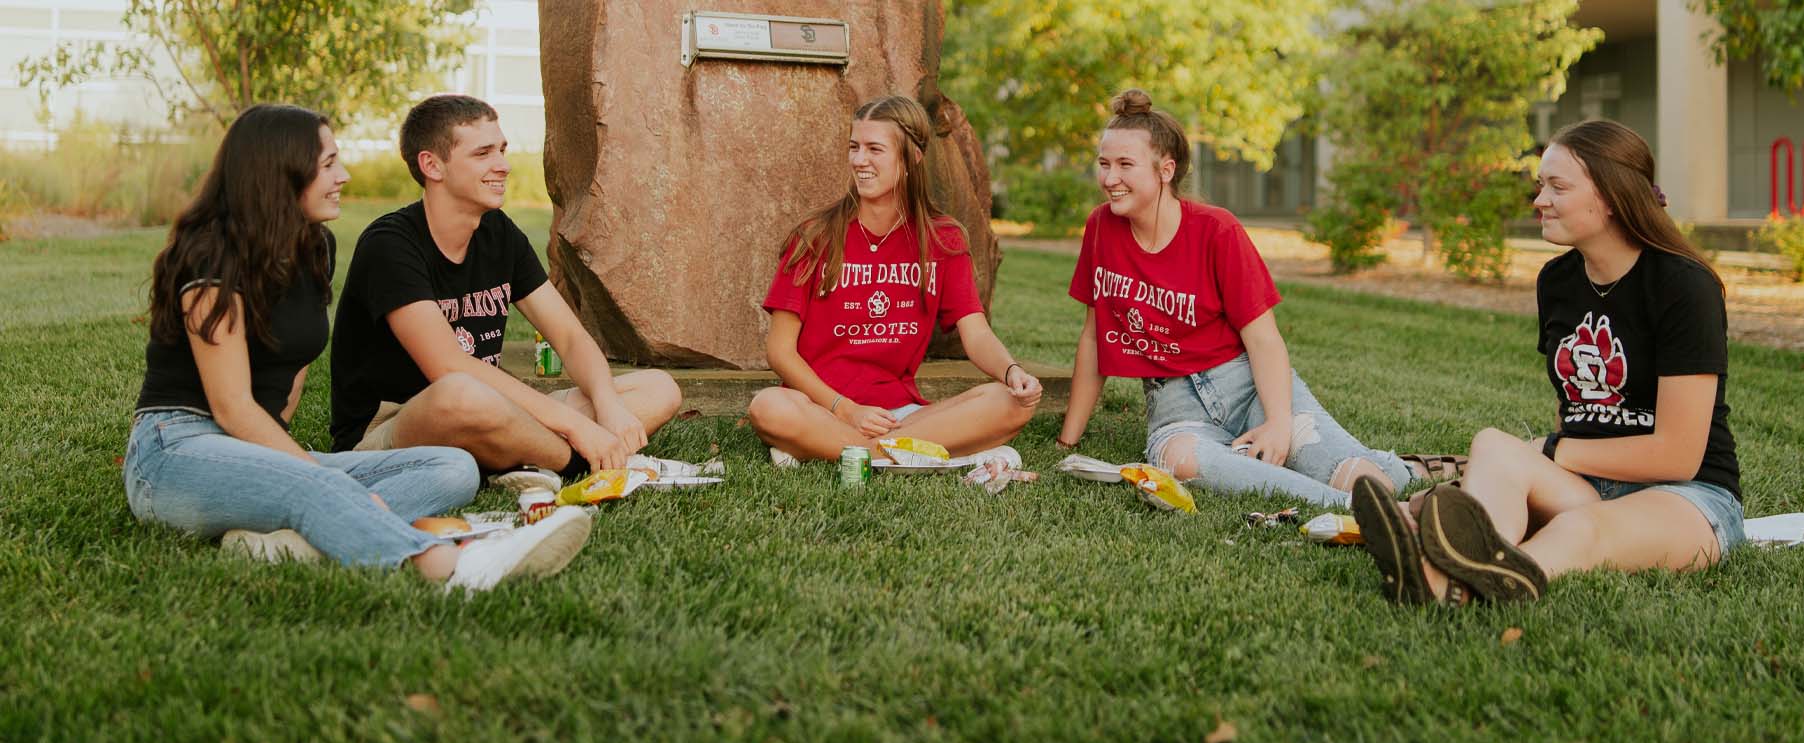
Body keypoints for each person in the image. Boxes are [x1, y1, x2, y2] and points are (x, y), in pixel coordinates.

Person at [123, 103, 592, 589]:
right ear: (279, 172)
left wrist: (282, 469)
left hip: (249, 449)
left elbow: (288, 380)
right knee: (315, 483)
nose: (343, 175)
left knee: (453, 468)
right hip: (175, 451)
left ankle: (291, 541)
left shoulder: (314, 247)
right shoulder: (210, 263)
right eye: (328, 164)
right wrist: (307, 473)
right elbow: (234, 408)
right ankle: (452, 566)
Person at [1353, 119, 1743, 606]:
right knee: (1493, 446)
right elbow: (1575, 409)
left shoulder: (1684, 286)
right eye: (1541, 186)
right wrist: (1531, 466)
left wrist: (1555, 452)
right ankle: (1450, 541)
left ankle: (1440, 576)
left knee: (1579, 529)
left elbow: (1678, 455)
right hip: (1587, 484)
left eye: (1557, 186)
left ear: (1612, 196)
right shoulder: (1557, 281)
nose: (1539, 200)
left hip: (1689, 499)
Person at [1056, 89, 1428, 506]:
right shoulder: (1101, 227)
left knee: (1369, 480)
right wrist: (1067, 440)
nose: (1109, 179)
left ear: (1166, 169)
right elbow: (1093, 338)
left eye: (1125, 165)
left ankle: (1396, 476)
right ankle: (1357, 510)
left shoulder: (1217, 231)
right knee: (1179, 462)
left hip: (1248, 385)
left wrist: (1278, 422)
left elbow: (1263, 339)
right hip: (1176, 409)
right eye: (1104, 164)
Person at [329, 94, 681, 486]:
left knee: (657, 388)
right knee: (460, 393)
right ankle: (572, 465)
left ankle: (517, 457)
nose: (503, 165)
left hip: (491, 412)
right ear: (432, 165)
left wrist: (608, 404)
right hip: (397, 427)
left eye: (502, 149)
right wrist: (577, 428)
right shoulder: (390, 245)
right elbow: (449, 367)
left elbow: (568, 336)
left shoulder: (498, 233)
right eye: (483, 154)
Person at [747, 94, 1041, 462]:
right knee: (768, 406)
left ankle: (851, 452)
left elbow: (976, 332)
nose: (859, 160)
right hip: (821, 408)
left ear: (911, 158)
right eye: (854, 147)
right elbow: (780, 350)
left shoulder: (942, 239)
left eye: (874, 149)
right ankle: (903, 454)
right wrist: (846, 410)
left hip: (900, 417)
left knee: (1009, 402)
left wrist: (1012, 371)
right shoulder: (814, 236)